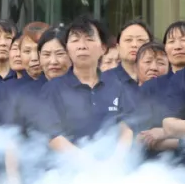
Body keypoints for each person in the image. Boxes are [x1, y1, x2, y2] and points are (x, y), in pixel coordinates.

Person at [39, 16, 133, 155]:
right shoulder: (52, 89)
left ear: (103, 48)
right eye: (75, 40)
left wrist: (118, 159)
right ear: (67, 49)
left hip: (112, 171)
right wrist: (87, 163)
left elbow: (126, 126)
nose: (82, 46)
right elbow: (53, 137)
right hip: (66, 172)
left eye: (89, 39)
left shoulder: (115, 85)